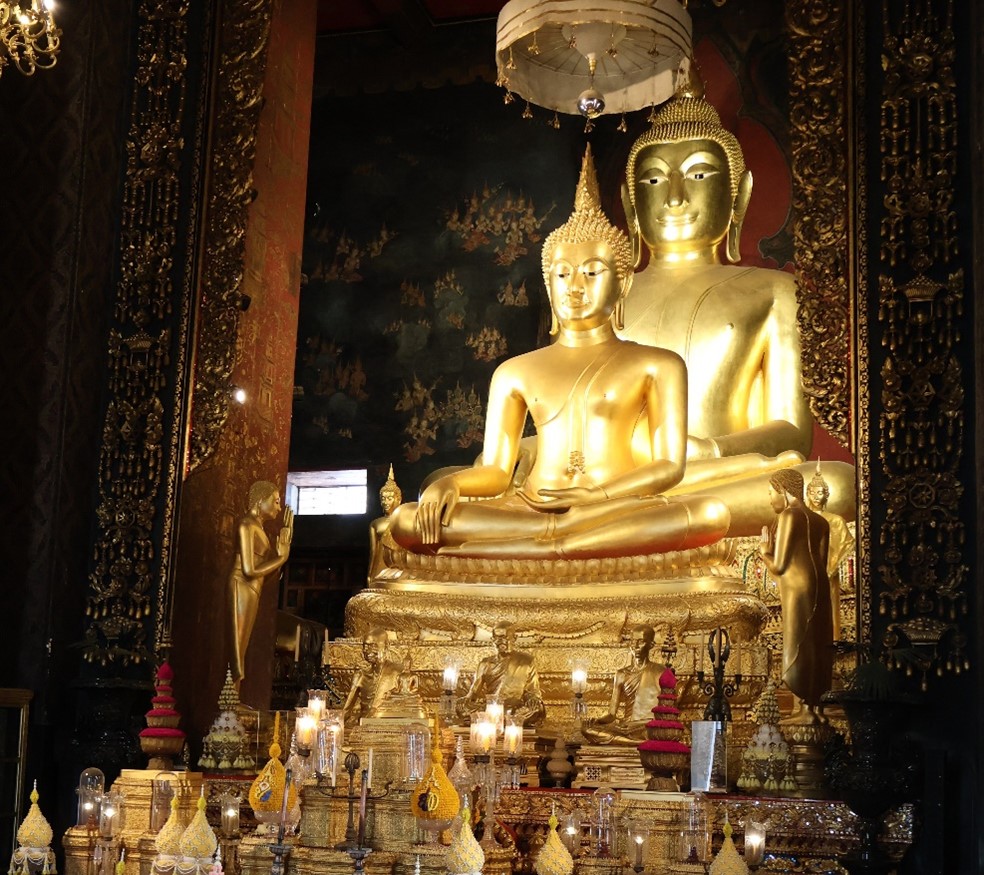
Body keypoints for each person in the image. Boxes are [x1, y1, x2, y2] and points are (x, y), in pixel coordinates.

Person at [387, 145, 731, 560]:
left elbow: (669, 468)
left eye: (591, 273)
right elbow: (497, 472)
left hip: (615, 506)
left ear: (623, 285)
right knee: (407, 519)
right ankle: (560, 541)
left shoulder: (657, 364)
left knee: (710, 513)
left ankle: (549, 544)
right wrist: (453, 484)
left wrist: (597, 495)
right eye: (563, 275)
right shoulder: (514, 372)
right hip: (531, 507)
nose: (575, 287)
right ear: (548, 287)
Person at [618, 71, 855, 535]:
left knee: (834, 487)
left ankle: (601, 531)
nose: (675, 197)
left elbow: (790, 431)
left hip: (713, 480)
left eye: (699, 174)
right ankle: (610, 521)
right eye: (652, 180)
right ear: (630, 204)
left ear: (738, 196)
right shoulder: (603, 294)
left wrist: (709, 450)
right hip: (616, 482)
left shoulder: (774, 291)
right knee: (451, 486)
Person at [759, 469, 834, 708]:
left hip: (795, 587)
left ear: (782, 490)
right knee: (816, 639)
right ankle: (815, 703)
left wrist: (764, 552)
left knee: (797, 641)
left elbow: (780, 566)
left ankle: (801, 703)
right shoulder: (822, 522)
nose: (770, 500)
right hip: (818, 585)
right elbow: (821, 563)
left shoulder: (789, 516)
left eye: (771, 493)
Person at [228, 480, 293, 685]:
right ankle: (229, 704)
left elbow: (264, 576)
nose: (278, 507)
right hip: (242, 584)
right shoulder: (247, 524)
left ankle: (233, 700)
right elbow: (249, 570)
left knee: (243, 645)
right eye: (274, 501)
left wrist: (280, 558)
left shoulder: (260, 528)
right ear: (260, 500)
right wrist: (280, 559)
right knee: (237, 646)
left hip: (253, 588)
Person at [581, 625, 666, 745]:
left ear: (651, 645)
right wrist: (597, 721)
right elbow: (611, 714)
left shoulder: (660, 671)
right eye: (632, 642)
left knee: (661, 733)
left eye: (640, 642)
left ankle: (633, 742)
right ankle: (638, 743)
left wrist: (638, 724)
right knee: (587, 730)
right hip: (624, 728)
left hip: (646, 727)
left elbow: (665, 712)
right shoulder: (621, 674)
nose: (635, 646)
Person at [457, 622, 545, 727]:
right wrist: (465, 700)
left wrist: (533, 700)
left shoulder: (526, 661)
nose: (501, 642)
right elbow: (473, 692)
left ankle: (499, 719)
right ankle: (506, 719)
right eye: (497, 639)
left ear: (514, 638)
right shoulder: (485, 663)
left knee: (537, 709)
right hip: (492, 708)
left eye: (505, 637)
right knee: (461, 708)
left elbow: (533, 692)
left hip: (515, 708)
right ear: (493, 640)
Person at [805, 461, 856, 640]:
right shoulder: (802, 519)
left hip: (828, 571)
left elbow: (845, 543)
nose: (817, 496)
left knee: (828, 608)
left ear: (826, 495)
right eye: (814, 492)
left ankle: (832, 640)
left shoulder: (835, 520)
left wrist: (831, 566)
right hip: (806, 572)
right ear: (807, 494)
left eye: (821, 493)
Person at [343, 626, 406, 723]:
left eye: (373, 645)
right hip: (364, 725)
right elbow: (346, 711)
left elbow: (404, 706)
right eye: (365, 645)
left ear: (386, 646)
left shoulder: (397, 672)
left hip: (389, 723)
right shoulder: (360, 675)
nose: (366, 650)